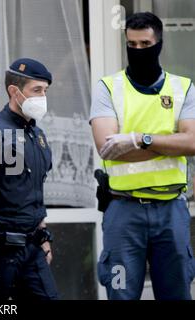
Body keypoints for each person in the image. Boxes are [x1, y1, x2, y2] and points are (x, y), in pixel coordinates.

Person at [90, 12, 195, 300]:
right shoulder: (108, 87)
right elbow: (107, 147)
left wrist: (139, 139)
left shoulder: (182, 88)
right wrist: (169, 143)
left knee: (176, 293)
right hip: (124, 211)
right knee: (121, 293)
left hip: (170, 209)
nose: (138, 51)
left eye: (145, 44)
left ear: (158, 44)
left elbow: (193, 142)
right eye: (132, 45)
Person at [0, 58, 59, 300]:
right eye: (36, 90)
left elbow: (34, 193)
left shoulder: (38, 136)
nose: (42, 97)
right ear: (14, 91)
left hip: (32, 250)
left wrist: (44, 237)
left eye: (45, 91)